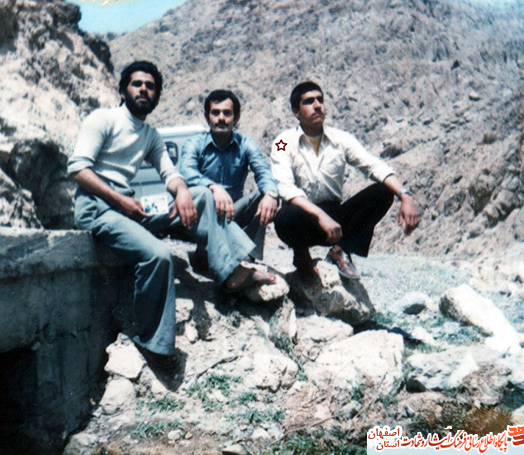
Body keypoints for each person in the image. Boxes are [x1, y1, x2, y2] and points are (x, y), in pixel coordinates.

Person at [67, 61, 274, 370]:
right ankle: (152, 342)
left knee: (201, 195)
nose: (143, 90)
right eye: (137, 84)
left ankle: (230, 271)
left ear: (157, 96)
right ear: (123, 91)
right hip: (98, 206)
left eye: (150, 86)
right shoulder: (103, 119)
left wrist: (181, 191)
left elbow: (171, 172)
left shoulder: (150, 134)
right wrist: (119, 200)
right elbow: (78, 169)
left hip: (130, 206)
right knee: (159, 255)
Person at [270, 81, 419, 280]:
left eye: (320, 100)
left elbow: (373, 165)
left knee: (383, 192)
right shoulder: (282, 142)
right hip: (303, 217)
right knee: (284, 217)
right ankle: (301, 255)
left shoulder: (341, 138)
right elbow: (284, 186)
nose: (317, 106)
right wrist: (319, 215)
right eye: (309, 101)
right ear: (296, 112)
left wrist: (405, 195)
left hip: (335, 221)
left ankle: (341, 250)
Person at [180, 89, 279, 266]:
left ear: (236, 117)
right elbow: (187, 172)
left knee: (263, 194)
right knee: (201, 198)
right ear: (207, 117)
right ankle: (206, 251)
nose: (221, 118)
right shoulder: (194, 143)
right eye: (215, 112)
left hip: (234, 213)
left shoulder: (246, 144)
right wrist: (213, 188)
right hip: (204, 218)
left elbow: (263, 171)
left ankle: (248, 256)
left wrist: (271, 194)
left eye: (227, 113)